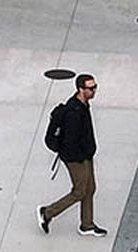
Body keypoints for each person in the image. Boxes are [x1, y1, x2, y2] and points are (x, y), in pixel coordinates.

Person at [39, 73, 106, 236]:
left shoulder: (83, 105)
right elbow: (71, 141)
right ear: (81, 89)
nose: (94, 91)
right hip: (76, 159)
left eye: (95, 87)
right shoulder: (73, 112)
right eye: (91, 88)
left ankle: (87, 224)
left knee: (90, 188)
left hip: (85, 155)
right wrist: (81, 156)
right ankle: (47, 212)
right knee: (79, 191)